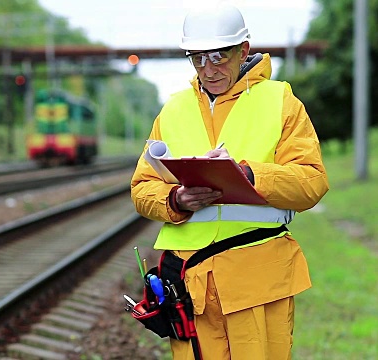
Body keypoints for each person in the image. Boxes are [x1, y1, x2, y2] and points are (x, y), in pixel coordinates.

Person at [130, 2, 329, 360]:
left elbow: (311, 183)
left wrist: (250, 175)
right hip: (189, 285)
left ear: (244, 51)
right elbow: (142, 188)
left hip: (257, 282)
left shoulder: (280, 101)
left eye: (219, 56)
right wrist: (176, 200)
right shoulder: (172, 110)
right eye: (197, 58)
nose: (208, 69)